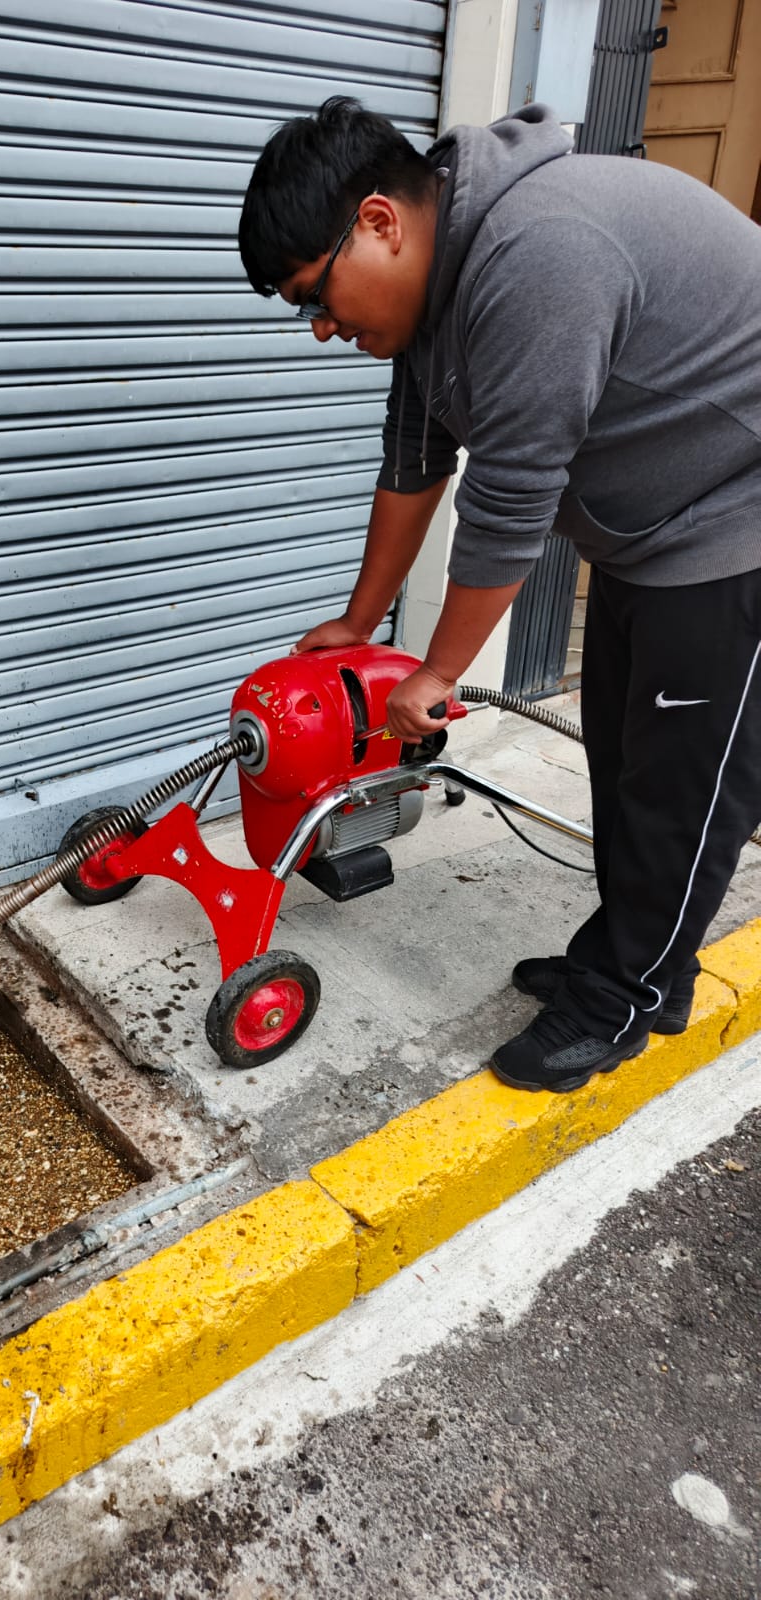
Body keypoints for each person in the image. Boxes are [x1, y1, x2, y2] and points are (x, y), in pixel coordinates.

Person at [237, 98, 761, 1094]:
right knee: (625, 758)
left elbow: (511, 497)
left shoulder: (536, 255)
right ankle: (637, 959)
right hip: (656, 531)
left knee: (683, 787)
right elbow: (413, 464)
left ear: (380, 222)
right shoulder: (433, 306)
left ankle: (624, 997)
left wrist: (438, 672)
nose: (324, 329)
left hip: (739, 521)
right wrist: (358, 623)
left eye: (317, 295)